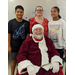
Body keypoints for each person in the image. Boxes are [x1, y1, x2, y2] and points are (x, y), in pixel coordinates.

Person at [8, 5, 30, 75]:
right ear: (15, 12)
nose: (19, 13)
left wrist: (26, 45)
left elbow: (28, 34)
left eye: (21, 12)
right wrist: (9, 46)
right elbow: (9, 34)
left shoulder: (27, 23)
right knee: (13, 61)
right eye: (18, 12)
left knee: (21, 61)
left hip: (23, 47)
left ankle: (19, 73)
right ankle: (12, 73)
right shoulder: (11, 22)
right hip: (13, 45)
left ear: (23, 13)